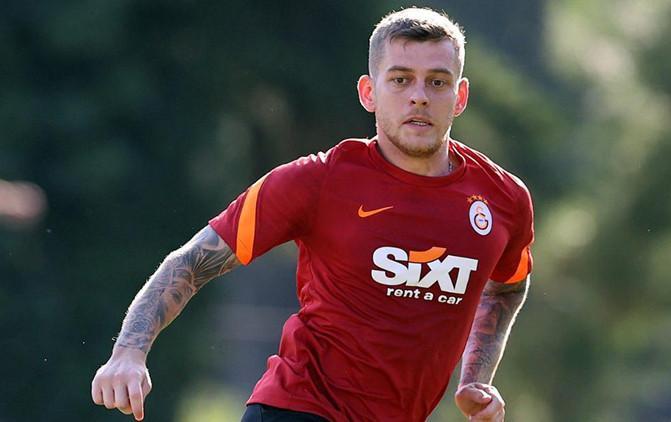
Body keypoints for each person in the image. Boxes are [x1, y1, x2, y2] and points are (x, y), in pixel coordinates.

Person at [91, 7, 534, 422]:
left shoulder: (504, 200)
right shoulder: (316, 180)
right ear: (369, 92)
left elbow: (508, 285)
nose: (419, 97)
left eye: (437, 82)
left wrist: (475, 379)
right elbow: (191, 262)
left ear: (460, 96)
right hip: (299, 408)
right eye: (400, 80)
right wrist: (128, 352)